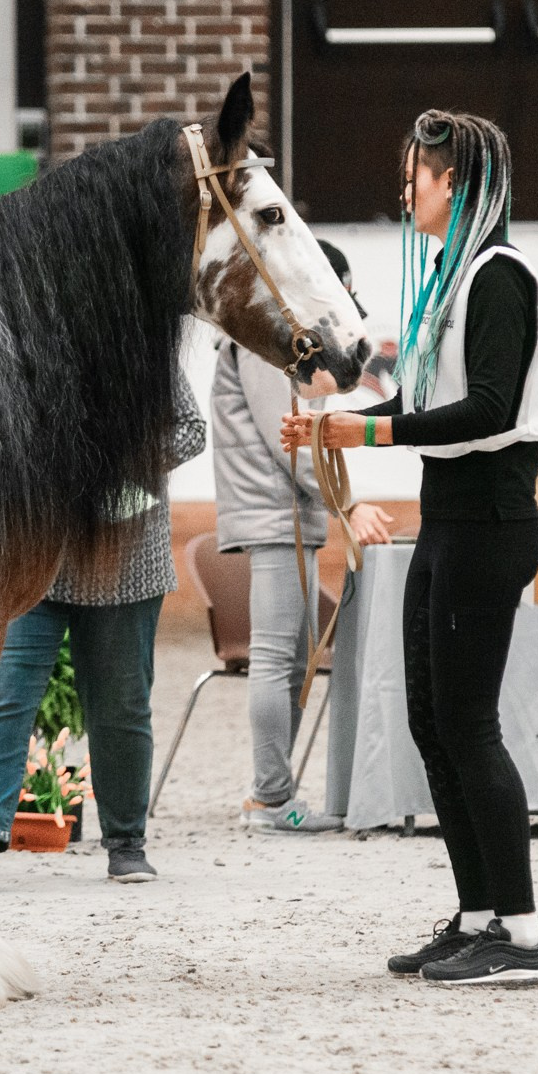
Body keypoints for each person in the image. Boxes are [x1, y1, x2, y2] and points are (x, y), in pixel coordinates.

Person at [282, 110, 538, 987]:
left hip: (489, 521)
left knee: (469, 724)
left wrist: (369, 435)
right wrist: (334, 423)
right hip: (446, 521)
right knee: (431, 722)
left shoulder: (501, 277)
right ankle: (477, 915)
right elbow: (415, 400)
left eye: (416, 178)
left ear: (457, 184)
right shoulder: (450, 278)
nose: (405, 192)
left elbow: (488, 409)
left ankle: (523, 935)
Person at [0, 375, 207, 888]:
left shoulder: (146, 344)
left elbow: (190, 430)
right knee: (7, 695)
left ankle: (126, 844)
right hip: (37, 553)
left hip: (127, 560)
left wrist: (112, 464)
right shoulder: (32, 342)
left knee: (121, 707)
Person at [214, 240, 391, 833]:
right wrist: (349, 505)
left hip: (286, 514)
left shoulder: (279, 340)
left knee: (292, 660)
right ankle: (270, 798)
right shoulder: (265, 342)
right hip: (273, 515)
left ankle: (272, 793)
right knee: (276, 658)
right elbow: (289, 438)